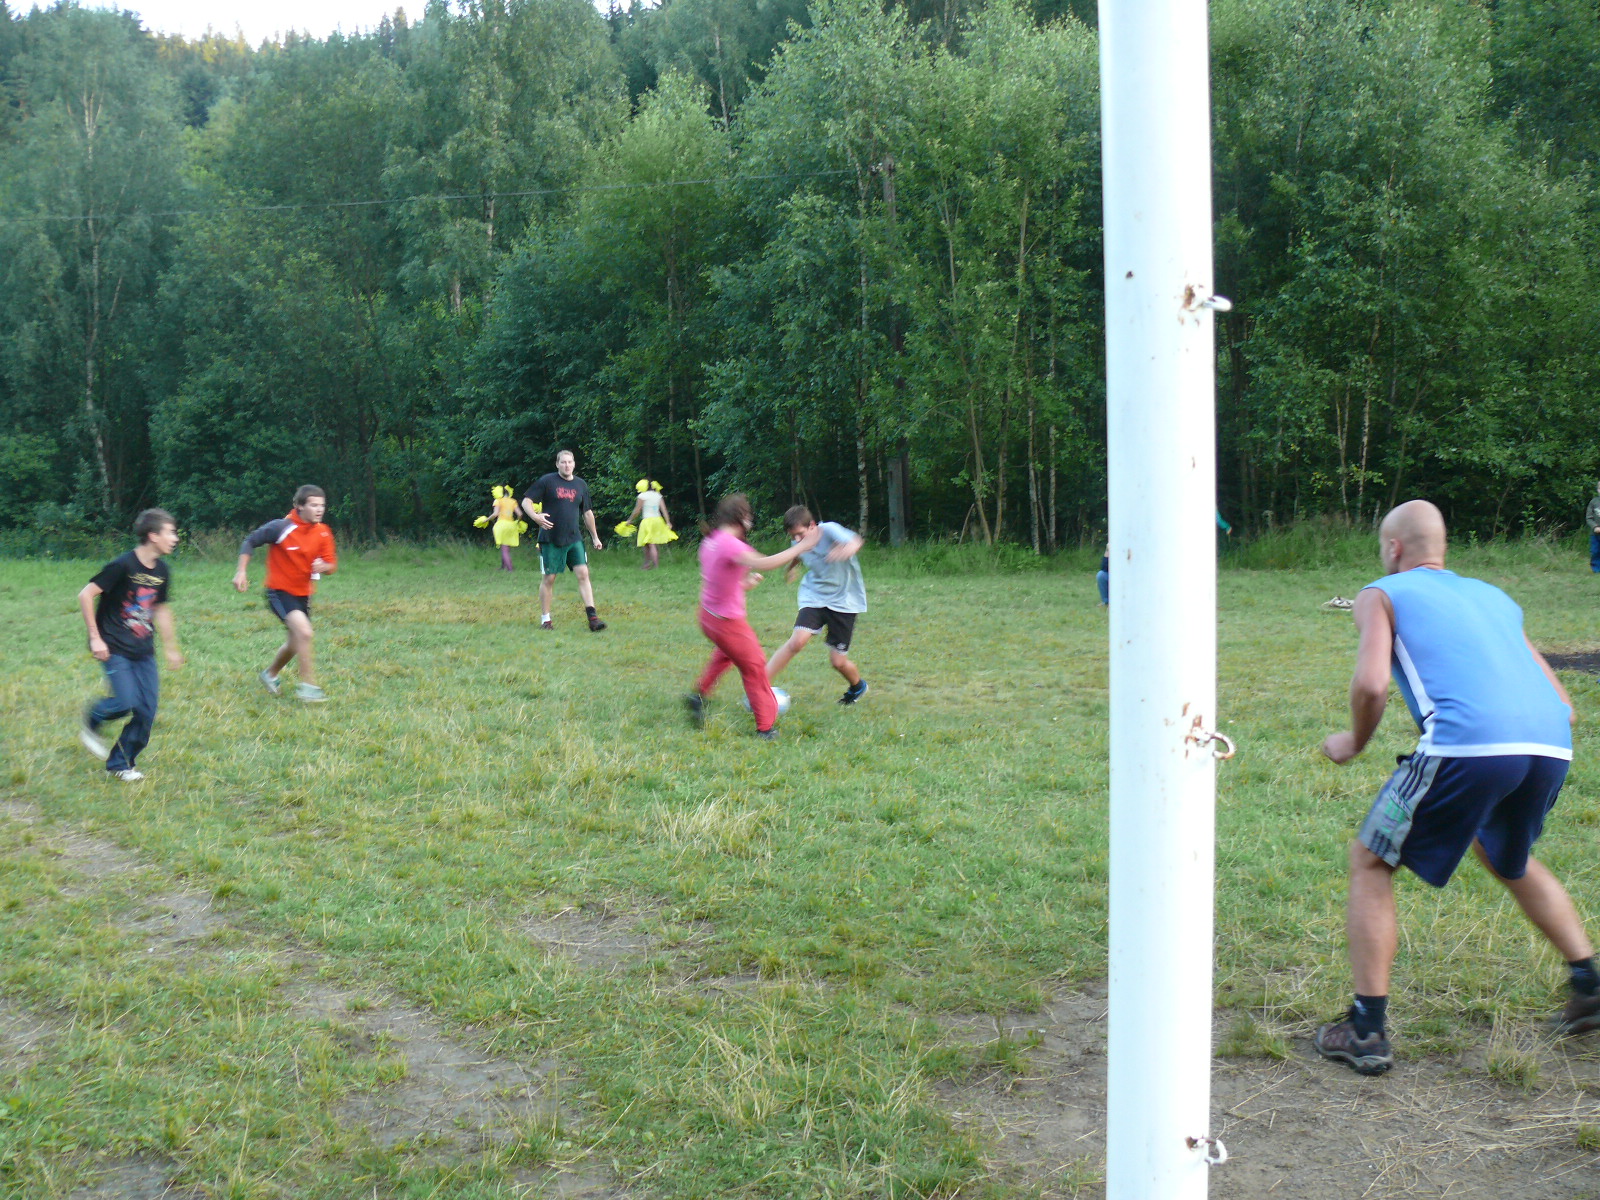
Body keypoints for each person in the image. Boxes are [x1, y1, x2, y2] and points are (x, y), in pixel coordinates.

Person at [1315, 499, 1598, 1075]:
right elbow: (1565, 706)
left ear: (1393, 548)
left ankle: (1365, 1030)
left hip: (1467, 744)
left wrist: (1354, 740)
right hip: (1549, 745)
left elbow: (1371, 685)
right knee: (1506, 857)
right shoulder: (1495, 598)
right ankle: (1590, 984)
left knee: (1370, 860)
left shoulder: (1381, 593)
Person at [686, 494, 819, 740]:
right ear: (741, 518)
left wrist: (743, 583)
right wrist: (802, 546)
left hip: (707, 616)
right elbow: (766, 562)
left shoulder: (711, 541)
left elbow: (718, 580)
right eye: (748, 517)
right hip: (727, 623)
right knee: (755, 666)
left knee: (726, 654)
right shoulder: (731, 544)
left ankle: (698, 695)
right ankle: (765, 728)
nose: (750, 522)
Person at [77, 509, 184, 782]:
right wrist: (95, 637)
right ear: (153, 535)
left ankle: (121, 764)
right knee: (125, 702)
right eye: (171, 532)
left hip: (143, 650)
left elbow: (160, 608)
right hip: (113, 647)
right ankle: (92, 719)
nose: (175, 538)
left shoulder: (162, 571)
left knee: (146, 710)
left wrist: (171, 647)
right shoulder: (122, 565)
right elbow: (86, 595)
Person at [234, 485, 338, 702]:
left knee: (295, 642)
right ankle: (308, 686)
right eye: (314, 505)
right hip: (279, 592)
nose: (319, 510)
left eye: (322, 505)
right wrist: (241, 571)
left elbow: (331, 565)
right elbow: (250, 541)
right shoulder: (281, 527)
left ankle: (270, 674)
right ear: (299, 506)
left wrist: (324, 566)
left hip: (304, 595)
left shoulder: (323, 532)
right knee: (305, 633)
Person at [765, 506, 869, 705]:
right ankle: (759, 685)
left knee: (838, 662)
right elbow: (797, 554)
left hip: (845, 601)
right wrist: (791, 568)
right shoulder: (799, 542)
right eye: (793, 536)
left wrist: (845, 550)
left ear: (812, 526)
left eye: (800, 534)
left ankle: (857, 686)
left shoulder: (829, 530)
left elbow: (856, 541)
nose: (797, 540)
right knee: (796, 642)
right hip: (814, 596)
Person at [521, 450, 605, 632]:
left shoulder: (581, 484)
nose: (567, 465)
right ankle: (546, 620)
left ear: (574, 464)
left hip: (574, 538)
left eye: (570, 462)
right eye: (563, 462)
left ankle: (593, 618)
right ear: (557, 464)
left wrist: (595, 536)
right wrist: (535, 517)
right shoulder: (547, 481)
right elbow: (526, 501)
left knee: (583, 573)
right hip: (551, 538)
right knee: (549, 578)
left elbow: (587, 513)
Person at [617, 479, 677, 570]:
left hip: (648, 521)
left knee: (650, 543)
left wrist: (630, 520)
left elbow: (637, 510)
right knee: (649, 543)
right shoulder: (658, 495)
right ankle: (647, 564)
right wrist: (668, 522)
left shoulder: (642, 496)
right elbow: (664, 509)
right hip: (658, 520)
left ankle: (654, 566)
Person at [474, 484, 526, 571]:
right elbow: (520, 514)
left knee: (504, 549)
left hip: (501, 525)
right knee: (506, 547)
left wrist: (486, 520)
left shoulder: (498, 501)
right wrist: (518, 522)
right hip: (511, 525)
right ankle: (503, 567)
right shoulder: (513, 501)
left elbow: (495, 514)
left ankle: (510, 570)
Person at [1585, 481, 1600, 573]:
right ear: (1598, 490)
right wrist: (1595, 527)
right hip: (1595, 534)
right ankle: (1596, 569)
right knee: (1595, 551)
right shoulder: (1593, 502)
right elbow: (1589, 517)